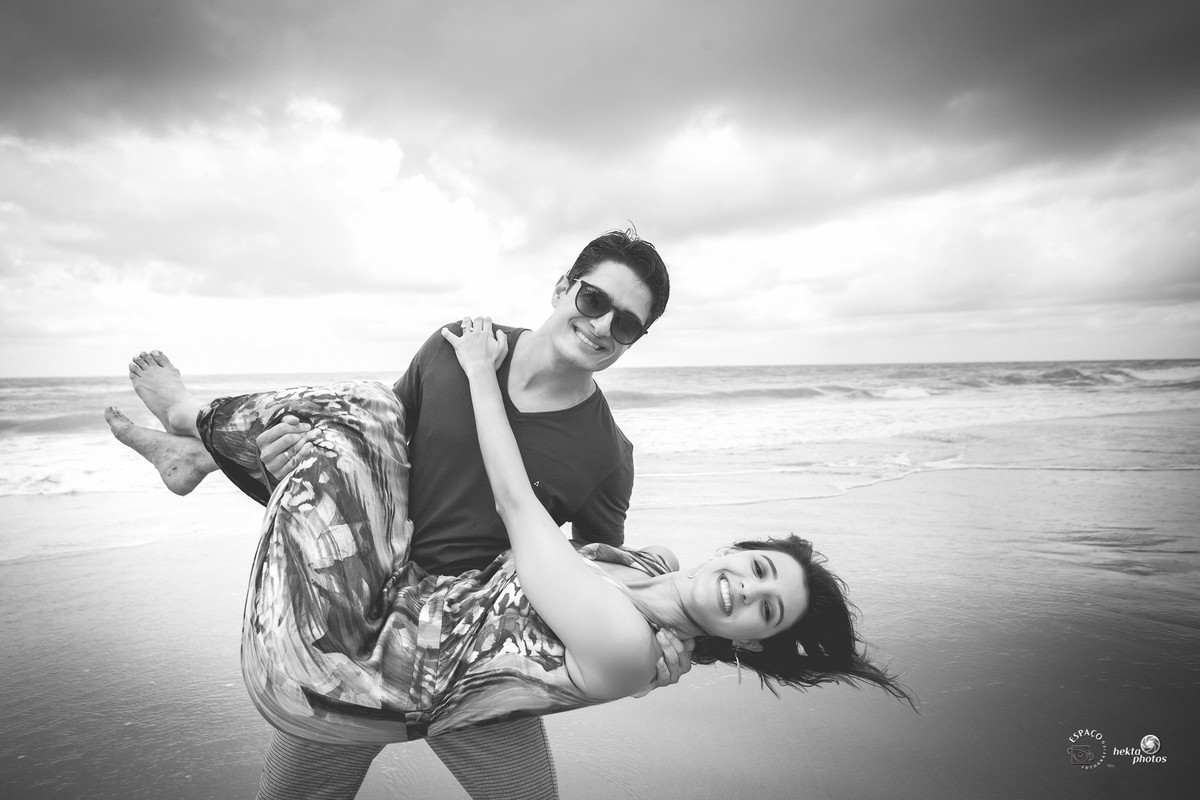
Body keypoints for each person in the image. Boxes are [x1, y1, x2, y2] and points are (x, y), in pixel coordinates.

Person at [106, 328, 912, 796]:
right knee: (359, 423)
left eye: (766, 609)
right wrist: (296, 464)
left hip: (377, 677)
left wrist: (480, 378)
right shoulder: (652, 565)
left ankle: (191, 423)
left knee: (350, 430)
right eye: (761, 570)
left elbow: (523, 516)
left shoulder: (629, 627)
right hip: (413, 621)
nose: (746, 588)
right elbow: (394, 483)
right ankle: (200, 450)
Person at [116, 229, 686, 800]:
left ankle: (197, 444)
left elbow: (596, 578)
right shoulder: (457, 347)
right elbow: (372, 455)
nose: (602, 326)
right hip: (356, 611)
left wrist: (648, 655)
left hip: (466, 639)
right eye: (593, 299)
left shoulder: (608, 456)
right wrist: (282, 461)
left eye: (626, 324)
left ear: (635, 340)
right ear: (562, 288)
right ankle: (198, 426)